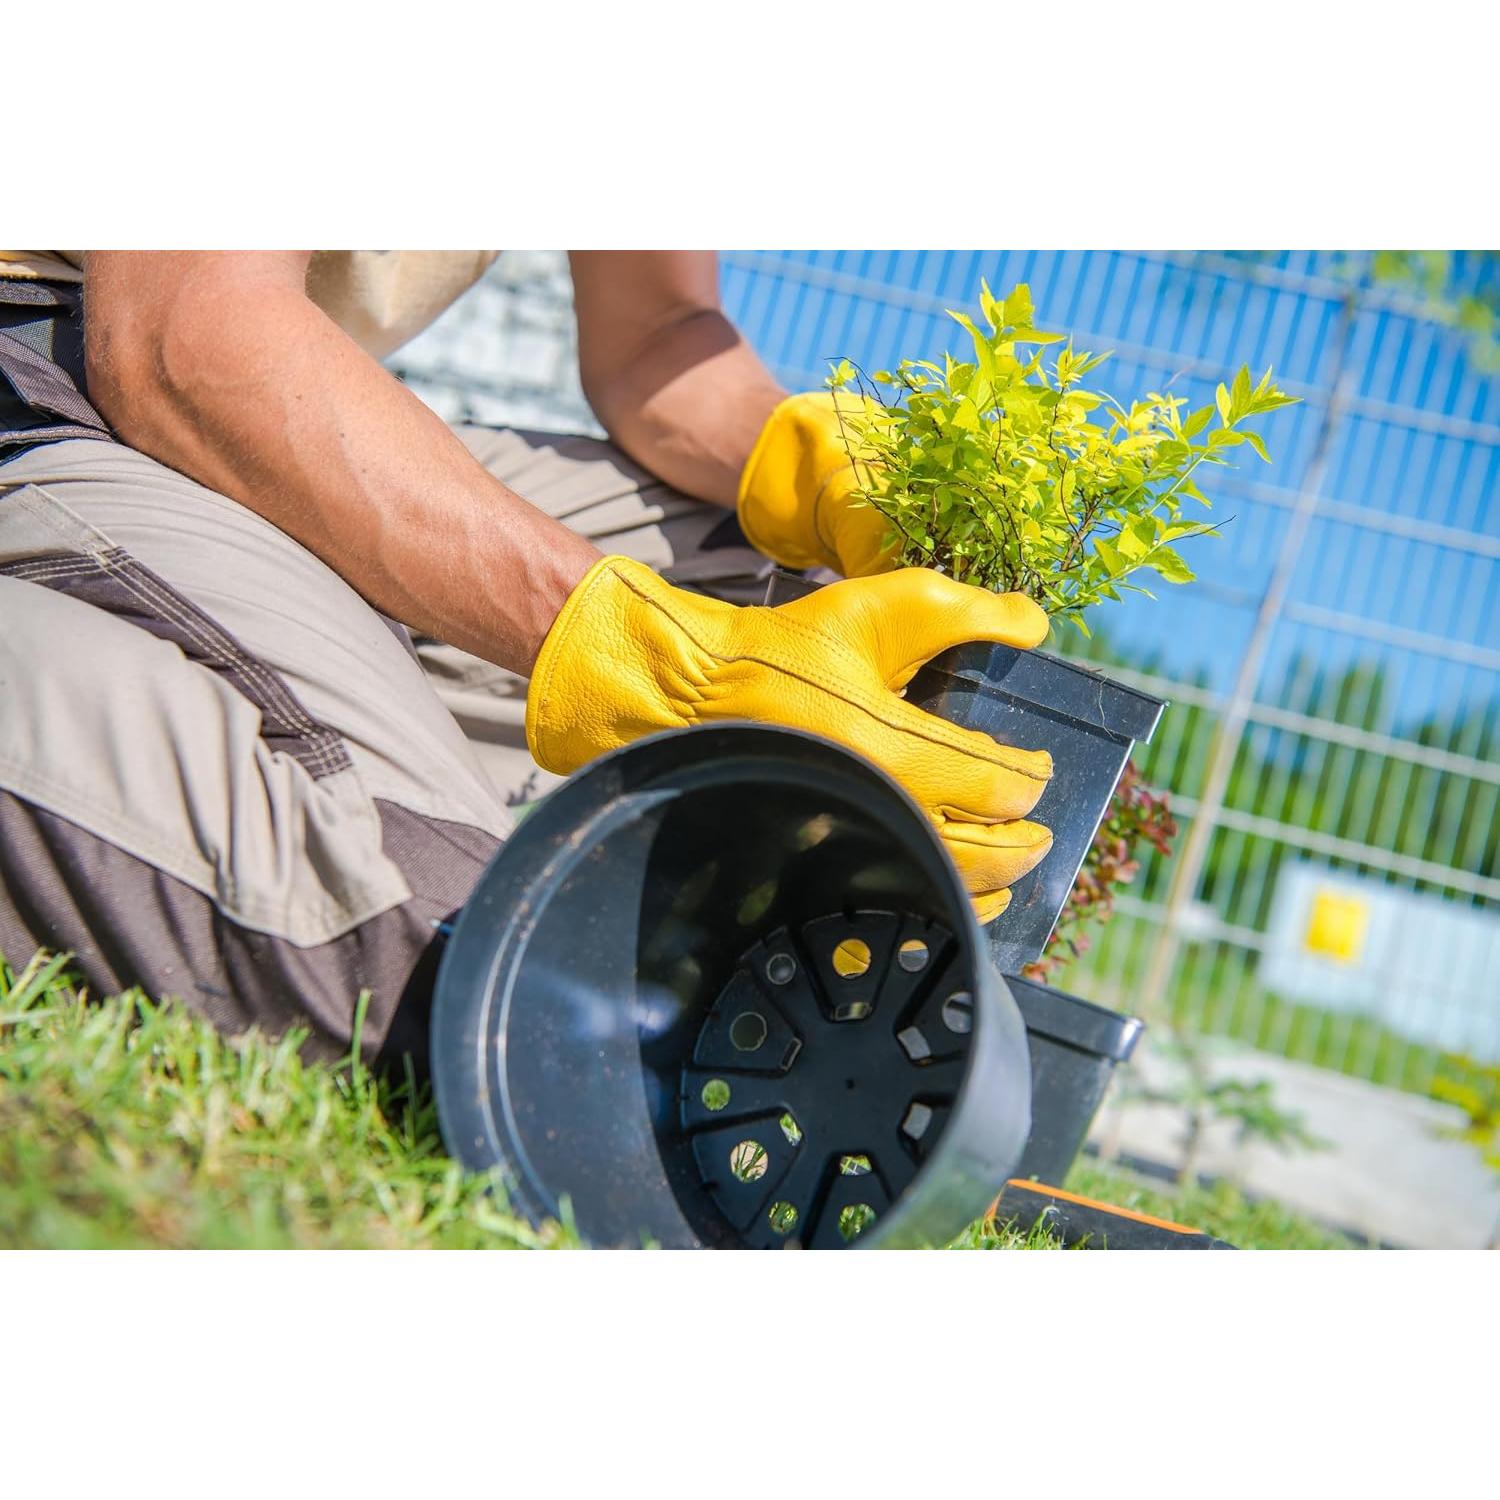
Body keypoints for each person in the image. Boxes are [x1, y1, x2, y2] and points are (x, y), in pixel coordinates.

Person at [0, 250, 1053, 1065]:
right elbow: (187, 345)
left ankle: (293, 700)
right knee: (434, 962)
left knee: (791, 581)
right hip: (66, 384)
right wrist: (669, 663)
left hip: (247, 406)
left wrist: (817, 466)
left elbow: (657, 339)